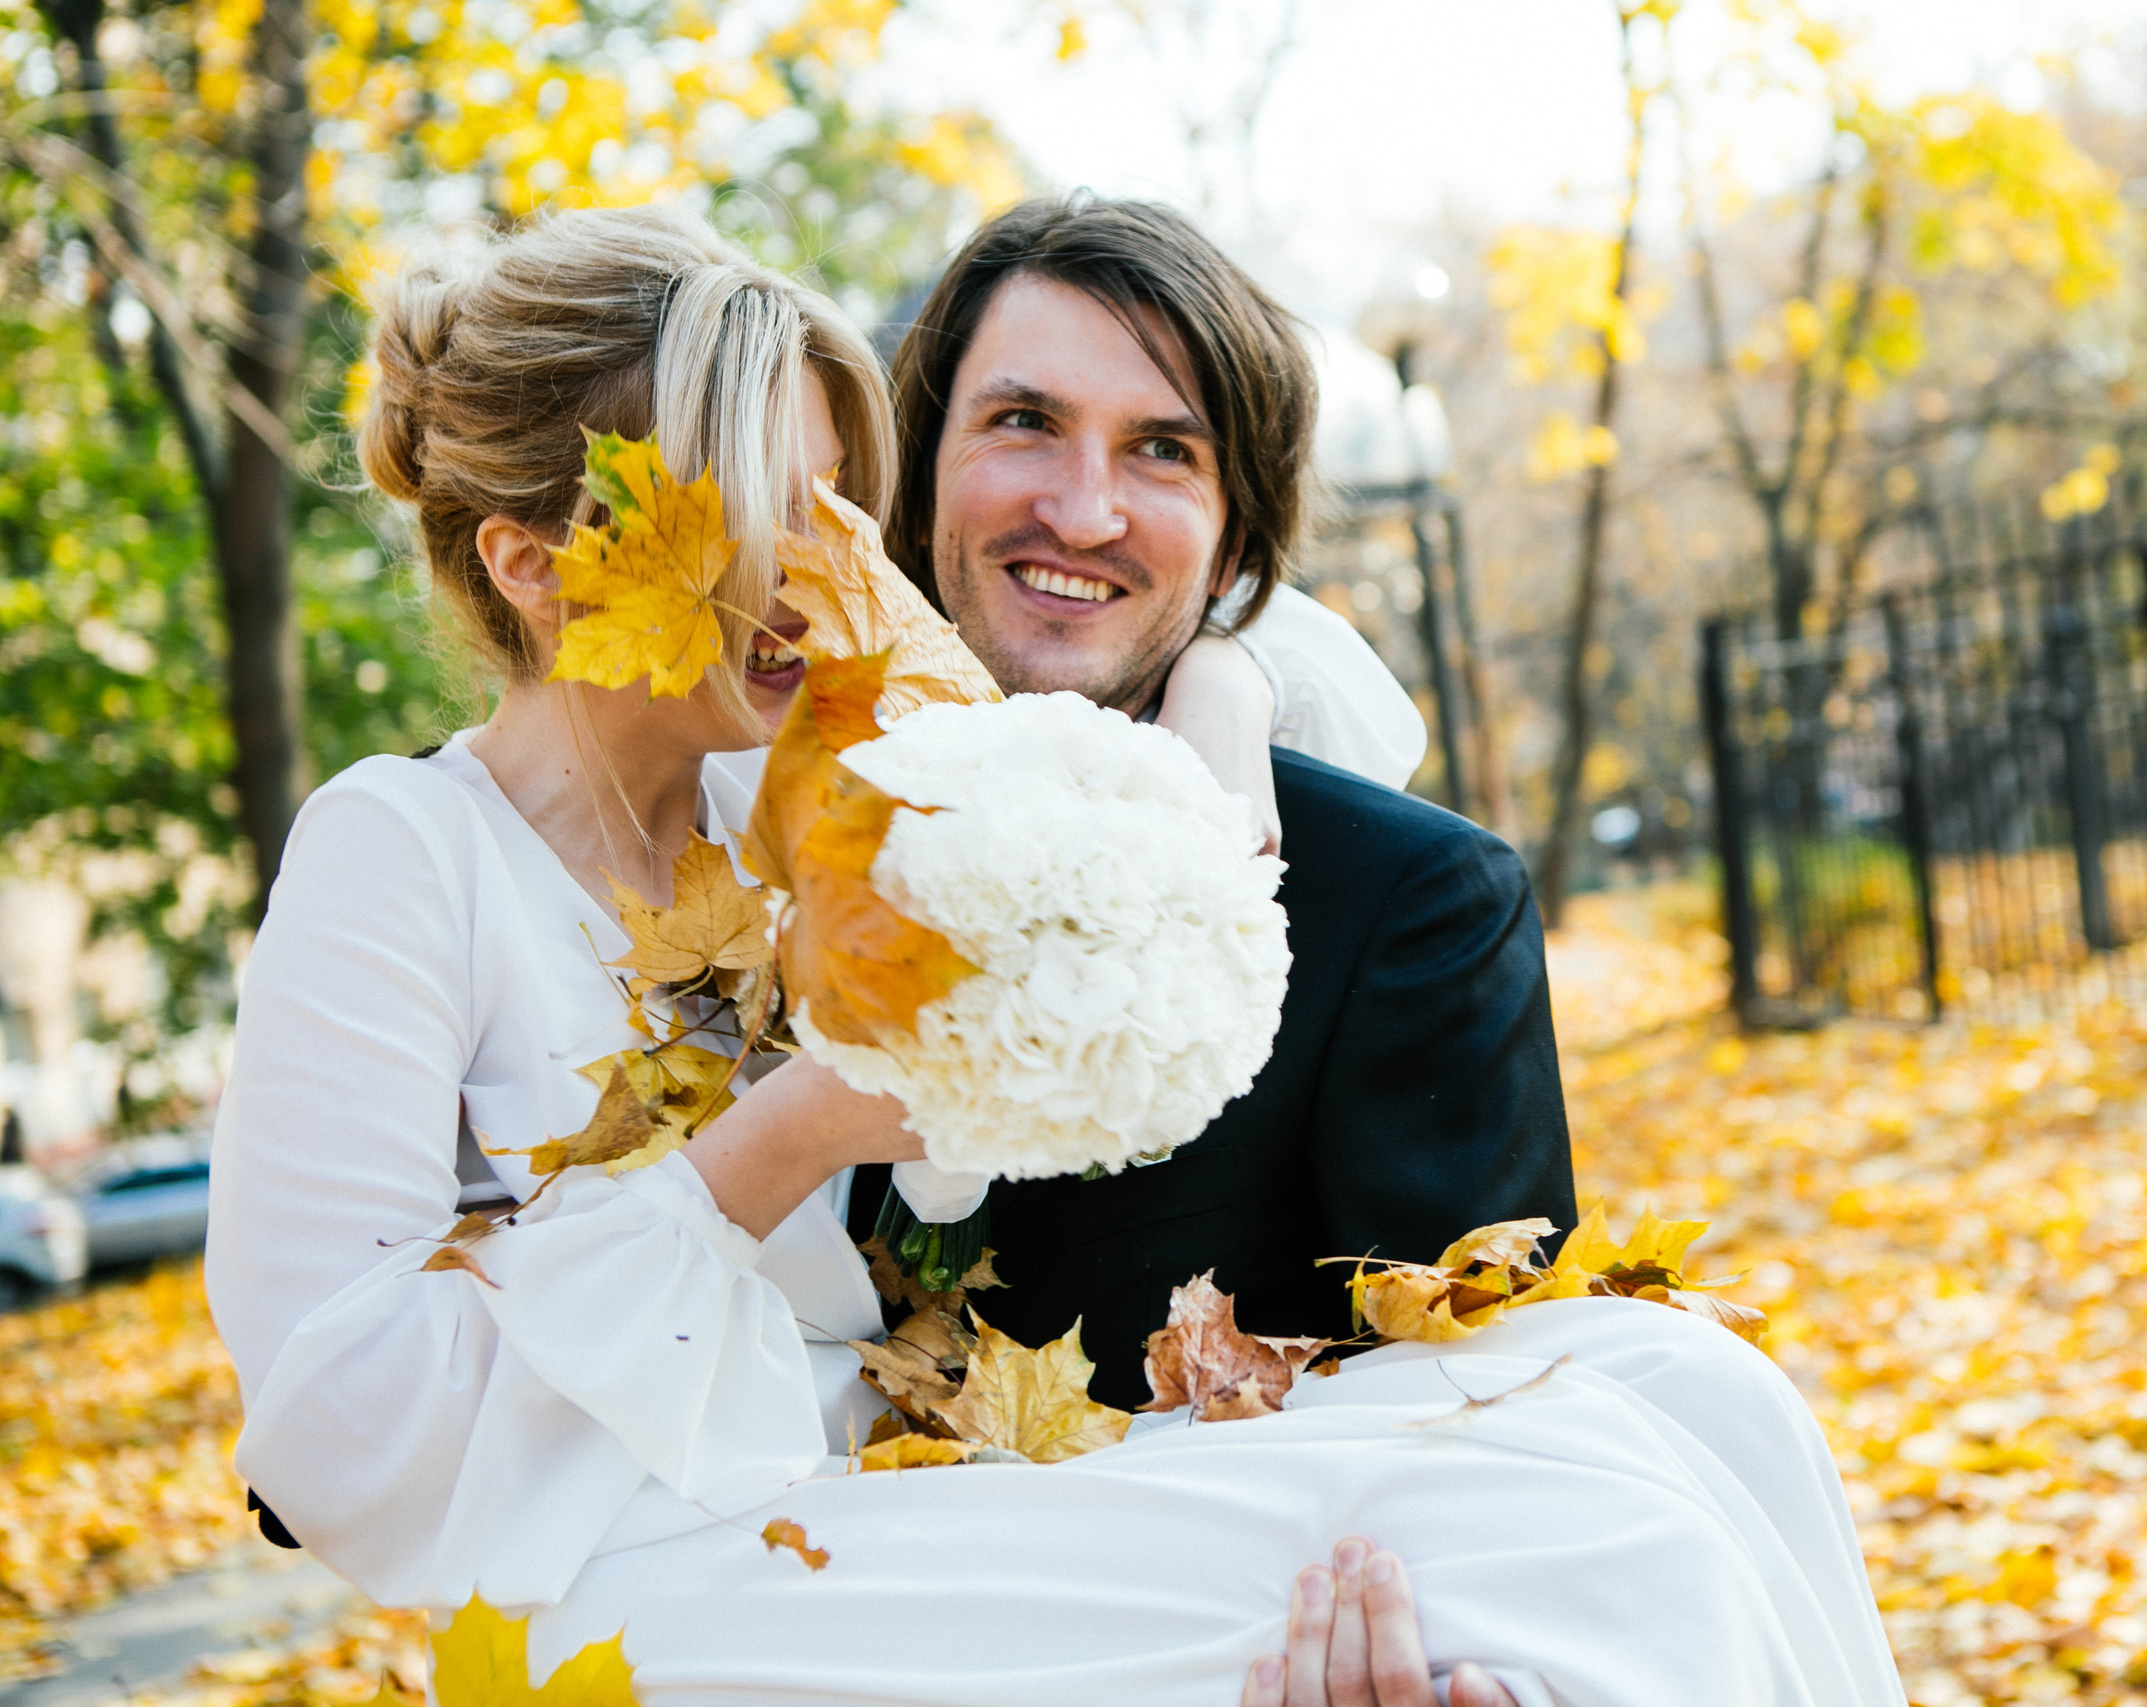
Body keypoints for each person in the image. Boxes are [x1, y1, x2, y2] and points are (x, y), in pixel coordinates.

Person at [206, 204, 1902, 1707]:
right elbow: (330, 1436)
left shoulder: (779, 793)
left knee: (1694, 1395)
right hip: (663, 1568)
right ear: (531, 564)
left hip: (891, 1492)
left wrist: (1221, 705)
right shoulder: (401, 850)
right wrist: (794, 1129)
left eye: (834, 498)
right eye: (758, 515)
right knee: (1608, 1561)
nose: (831, 564)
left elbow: (1207, 653)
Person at [851, 197, 1577, 1405]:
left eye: (1162, 451)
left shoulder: (1412, 907)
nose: (1083, 512)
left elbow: (1479, 1412)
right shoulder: (745, 828)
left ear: (1235, 542)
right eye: (1024, 422)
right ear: (918, 476)